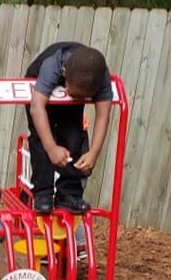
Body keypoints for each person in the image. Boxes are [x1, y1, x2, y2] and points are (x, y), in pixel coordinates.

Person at [25, 42, 113, 214]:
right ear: (64, 73)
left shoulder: (100, 77)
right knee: (41, 136)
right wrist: (51, 148)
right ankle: (43, 193)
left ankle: (69, 194)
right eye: (74, 95)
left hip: (75, 85)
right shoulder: (53, 66)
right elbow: (36, 108)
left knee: (73, 134)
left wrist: (93, 152)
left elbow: (103, 116)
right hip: (37, 84)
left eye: (83, 98)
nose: (77, 99)